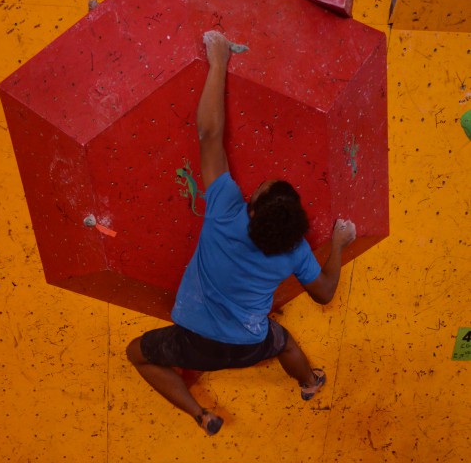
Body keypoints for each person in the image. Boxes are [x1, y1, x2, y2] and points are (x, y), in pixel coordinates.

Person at [127, 31, 356, 436]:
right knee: (284, 343)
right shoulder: (294, 249)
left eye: (257, 191)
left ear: (250, 208)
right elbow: (324, 293)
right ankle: (309, 382)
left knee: (137, 353)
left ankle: (201, 415)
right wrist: (337, 245)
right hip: (249, 345)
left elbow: (209, 135)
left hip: (195, 343)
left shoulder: (224, 211)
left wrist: (218, 60)